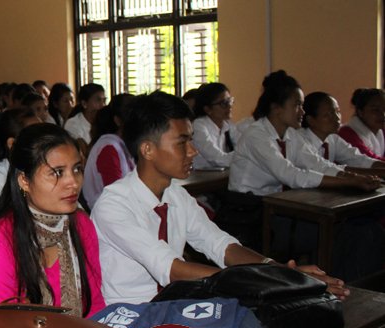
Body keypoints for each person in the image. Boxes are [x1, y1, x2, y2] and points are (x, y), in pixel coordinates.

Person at [91, 91, 348, 305]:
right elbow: (172, 269)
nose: (193, 151)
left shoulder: (176, 196)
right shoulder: (114, 205)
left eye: (191, 140)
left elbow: (221, 245)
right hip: (131, 315)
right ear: (147, 149)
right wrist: (268, 281)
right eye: (182, 142)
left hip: (173, 304)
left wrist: (281, 272)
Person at [229, 72, 379, 262]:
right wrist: (349, 181)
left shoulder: (291, 134)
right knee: (333, 231)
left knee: (359, 229)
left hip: (274, 207)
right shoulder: (256, 135)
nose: (302, 112)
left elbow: (317, 163)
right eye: (297, 105)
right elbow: (290, 174)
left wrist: (352, 177)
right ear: (276, 108)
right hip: (249, 213)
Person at [0, 124, 104, 317]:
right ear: (24, 181)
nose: (73, 182)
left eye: (77, 169)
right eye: (57, 172)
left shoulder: (80, 224)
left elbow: (95, 306)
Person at [300, 92, 385, 170]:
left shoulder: (332, 138)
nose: (337, 118)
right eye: (328, 114)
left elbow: (357, 158)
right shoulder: (300, 141)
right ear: (311, 120)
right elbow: (323, 169)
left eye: (338, 112)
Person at [82, 94, 135, 210]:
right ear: (118, 121)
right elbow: (116, 193)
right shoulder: (109, 148)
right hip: (108, 211)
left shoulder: (121, 144)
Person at [191, 83, 239, 169]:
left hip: (221, 175)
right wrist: (245, 155)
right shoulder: (199, 126)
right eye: (224, 103)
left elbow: (243, 146)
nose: (229, 106)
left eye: (230, 101)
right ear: (208, 109)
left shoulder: (228, 125)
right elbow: (219, 159)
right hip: (200, 176)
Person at [338, 88, 385, 160]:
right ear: (360, 112)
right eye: (375, 110)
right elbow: (369, 161)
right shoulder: (347, 134)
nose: (383, 114)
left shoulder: (382, 131)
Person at [64, 83, 106, 148]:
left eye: (104, 100)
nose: (103, 105)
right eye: (98, 100)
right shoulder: (72, 124)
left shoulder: (104, 122)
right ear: (84, 103)